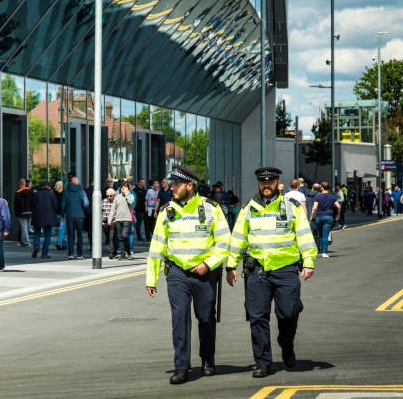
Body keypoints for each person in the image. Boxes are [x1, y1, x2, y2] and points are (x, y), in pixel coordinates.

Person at [226, 167, 317, 378]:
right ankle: (263, 362)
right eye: (263, 182)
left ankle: (286, 344)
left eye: (271, 181)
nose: (266, 185)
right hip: (257, 270)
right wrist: (231, 265)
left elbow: (303, 234)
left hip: (286, 270)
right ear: (258, 183)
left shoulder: (290, 207)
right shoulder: (248, 209)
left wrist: (309, 261)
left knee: (288, 313)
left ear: (278, 182)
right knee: (257, 317)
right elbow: (238, 238)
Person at [146, 165, 230, 385]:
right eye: (171, 184)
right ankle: (182, 367)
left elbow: (224, 242)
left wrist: (208, 264)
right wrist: (151, 277)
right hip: (177, 273)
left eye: (176, 184)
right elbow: (157, 246)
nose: (172, 188)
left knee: (206, 319)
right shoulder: (166, 211)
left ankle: (208, 360)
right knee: (179, 320)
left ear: (189, 186)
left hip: (204, 274)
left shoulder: (211, 208)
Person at [310, 181, 341, 258]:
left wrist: (311, 217)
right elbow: (338, 206)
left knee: (320, 235)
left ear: (322, 188)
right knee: (325, 235)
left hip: (319, 217)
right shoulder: (332, 197)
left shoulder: (318, 197)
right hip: (328, 217)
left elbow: (314, 208)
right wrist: (338, 215)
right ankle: (325, 252)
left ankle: (321, 249)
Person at [62, 176, 89, 259]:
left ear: (70, 182)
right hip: (79, 216)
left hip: (69, 216)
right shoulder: (82, 192)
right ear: (78, 183)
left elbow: (63, 205)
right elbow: (86, 203)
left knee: (70, 235)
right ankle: (80, 254)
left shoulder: (66, 192)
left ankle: (70, 254)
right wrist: (82, 210)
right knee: (79, 235)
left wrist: (63, 214)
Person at [31, 181, 58, 259]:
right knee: (47, 235)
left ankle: (36, 246)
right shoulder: (52, 194)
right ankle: (44, 253)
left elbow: (32, 205)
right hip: (48, 218)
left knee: (37, 234)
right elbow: (56, 206)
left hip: (37, 217)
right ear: (48, 187)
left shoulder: (36, 194)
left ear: (42, 186)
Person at [109, 181, 134, 260]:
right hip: (118, 219)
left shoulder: (130, 196)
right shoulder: (117, 197)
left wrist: (127, 193)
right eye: (123, 188)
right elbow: (113, 209)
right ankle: (122, 255)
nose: (124, 190)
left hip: (127, 219)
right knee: (120, 237)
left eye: (125, 188)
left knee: (124, 235)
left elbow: (131, 202)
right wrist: (110, 218)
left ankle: (128, 252)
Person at [14, 178, 33, 248]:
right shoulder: (31, 191)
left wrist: (16, 213)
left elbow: (16, 205)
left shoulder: (17, 192)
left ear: (19, 184)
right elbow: (33, 202)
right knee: (26, 228)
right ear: (25, 184)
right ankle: (22, 241)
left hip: (21, 213)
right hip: (29, 212)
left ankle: (27, 242)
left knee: (24, 228)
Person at [102, 188, 116, 257]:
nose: (109, 197)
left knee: (111, 237)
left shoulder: (116, 202)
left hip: (113, 221)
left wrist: (114, 221)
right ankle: (112, 248)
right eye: (107, 196)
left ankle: (111, 252)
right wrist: (102, 222)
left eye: (111, 196)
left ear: (114, 195)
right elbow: (101, 211)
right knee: (108, 237)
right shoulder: (104, 201)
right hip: (105, 222)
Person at [53, 181, 66, 250]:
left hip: (63, 215)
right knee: (59, 229)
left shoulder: (65, 194)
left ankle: (59, 243)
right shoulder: (53, 193)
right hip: (55, 214)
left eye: (56, 185)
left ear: (60, 186)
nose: (55, 187)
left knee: (61, 229)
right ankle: (64, 244)